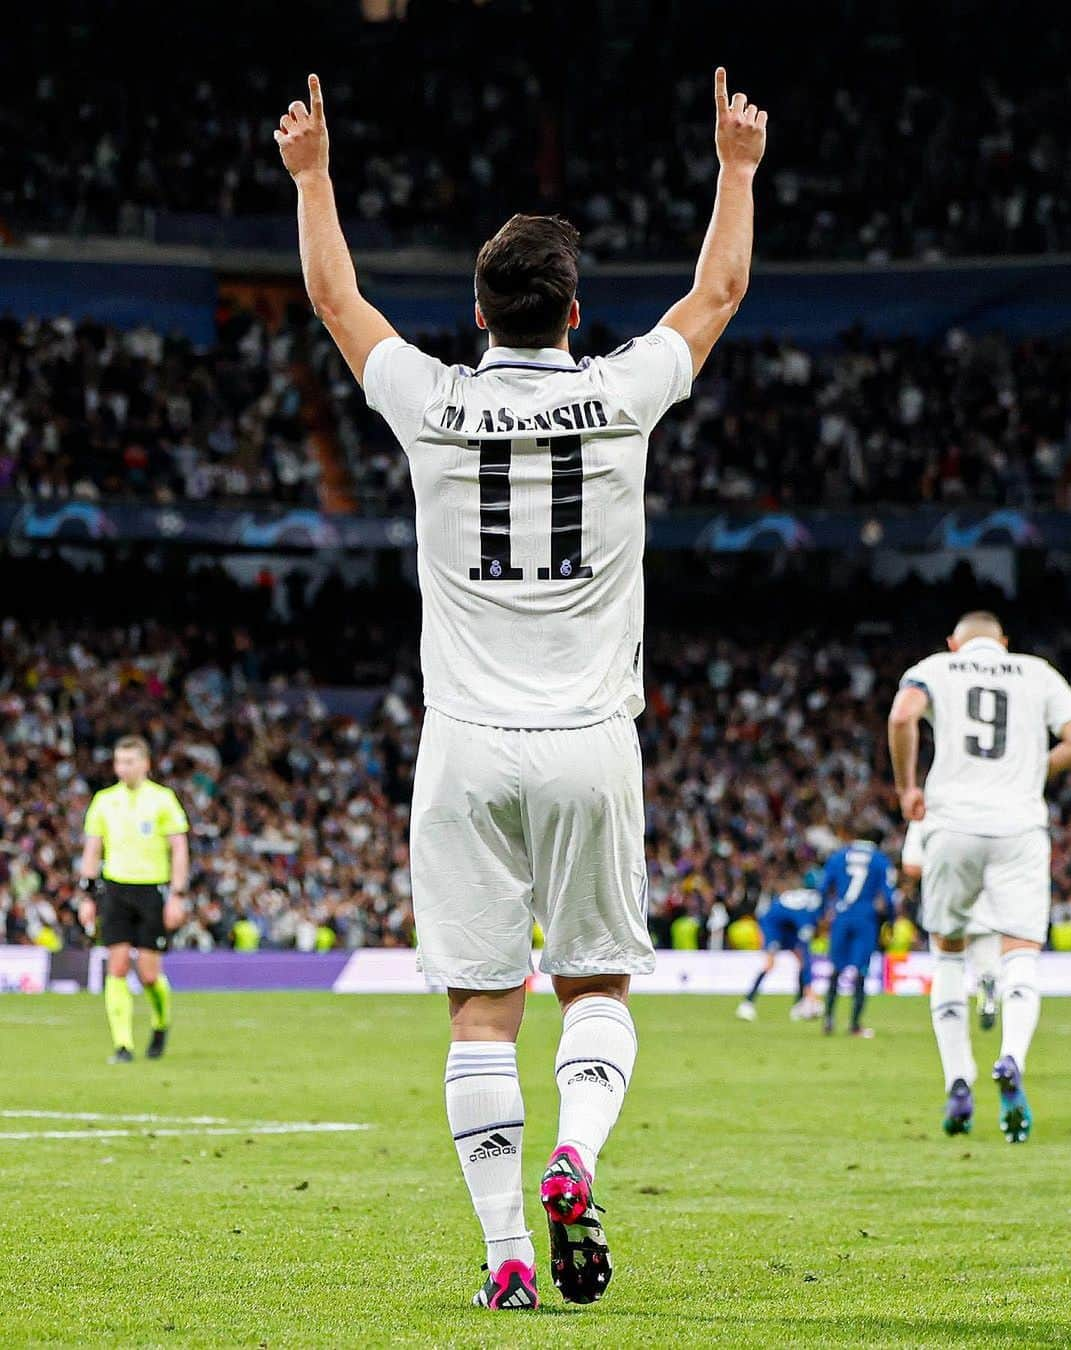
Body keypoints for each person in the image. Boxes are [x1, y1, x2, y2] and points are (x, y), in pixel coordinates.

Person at [275, 67, 767, 1309]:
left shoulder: (434, 404)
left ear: (479, 314)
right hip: (592, 739)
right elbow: (718, 292)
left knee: (480, 1016)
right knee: (594, 987)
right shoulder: (618, 396)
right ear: (575, 311)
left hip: (464, 749)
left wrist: (315, 174)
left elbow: (333, 297)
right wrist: (738, 168)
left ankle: (504, 1260)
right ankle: (575, 1155)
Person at [888, 611, 1071, 1142]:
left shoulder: (937, 668)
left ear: (955, 642)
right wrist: (1029, 773)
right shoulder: (1037, 671)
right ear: (1004, 643)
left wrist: (907, 788)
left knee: (948, 952)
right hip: (1019, 826)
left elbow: (903, 716)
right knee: (1020, 953)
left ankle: (957, 1080)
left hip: (952, 825)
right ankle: (1012, 1057)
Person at [78, 736, 189, 1063]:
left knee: (149, 974)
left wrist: (177, 895)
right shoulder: (104, 801)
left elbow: (179, 848)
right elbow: (92, 849)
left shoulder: (163, 799)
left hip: (152, 890)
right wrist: (86, 896)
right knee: (117, 965)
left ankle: (160, 1022)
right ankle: (123, 1045)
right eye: (118, 761)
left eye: (129, 761)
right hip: (114, 889)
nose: (122, 768)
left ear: (145, 764)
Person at [901, 819, 1002, 1030]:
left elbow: (911, 866)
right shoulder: (988, 804)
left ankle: (951, 1014)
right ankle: (988, 986)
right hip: (986, 903)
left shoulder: (926, 812)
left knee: (947, 964)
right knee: (987, 961)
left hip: (945, 900)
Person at [819, 828, 895, 1038]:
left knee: (835, 969)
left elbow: (824, 887)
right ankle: (854, 1025)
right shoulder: (880, 860)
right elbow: (889, 897)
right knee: (861, 971)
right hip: (866, 918)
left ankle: (828, 1019)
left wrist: (821, 914)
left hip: (842, 916)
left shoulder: (838, 856)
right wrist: (890, 922)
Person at [736, 872, 822, 1022]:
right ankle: (747, 1004)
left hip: (789, 927)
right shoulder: (810, 909)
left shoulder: (811, 900)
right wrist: (811, 991)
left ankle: (799, 1004)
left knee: (801, 961)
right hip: (772, 926)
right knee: (770, 964)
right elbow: (807, 949)